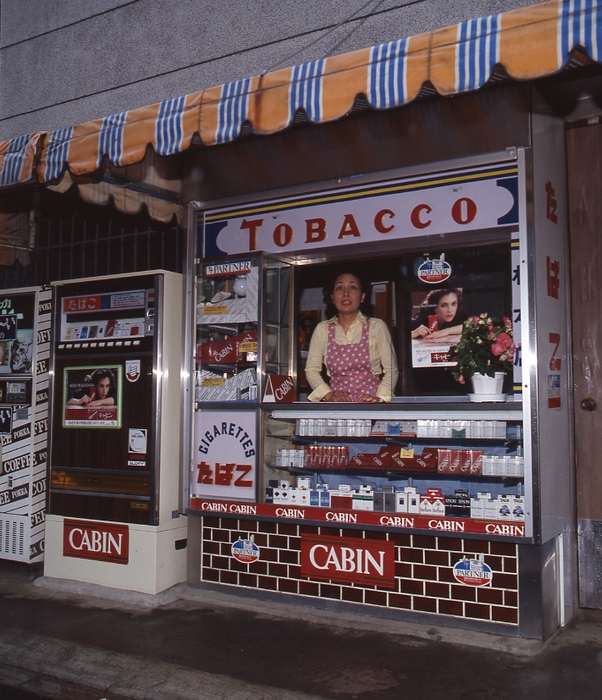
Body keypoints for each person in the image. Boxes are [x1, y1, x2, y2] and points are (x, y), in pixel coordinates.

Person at [305, 272, 398, 402]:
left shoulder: (377, 327)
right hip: (337, 408)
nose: (346, 293)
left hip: (371, 408)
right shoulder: (322, 329)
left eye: (353, 287)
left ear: (363, 296)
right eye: (339, 288)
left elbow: (392, 370)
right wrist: (329, 395)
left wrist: (378, 398)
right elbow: (311, 370)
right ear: (332, 297)